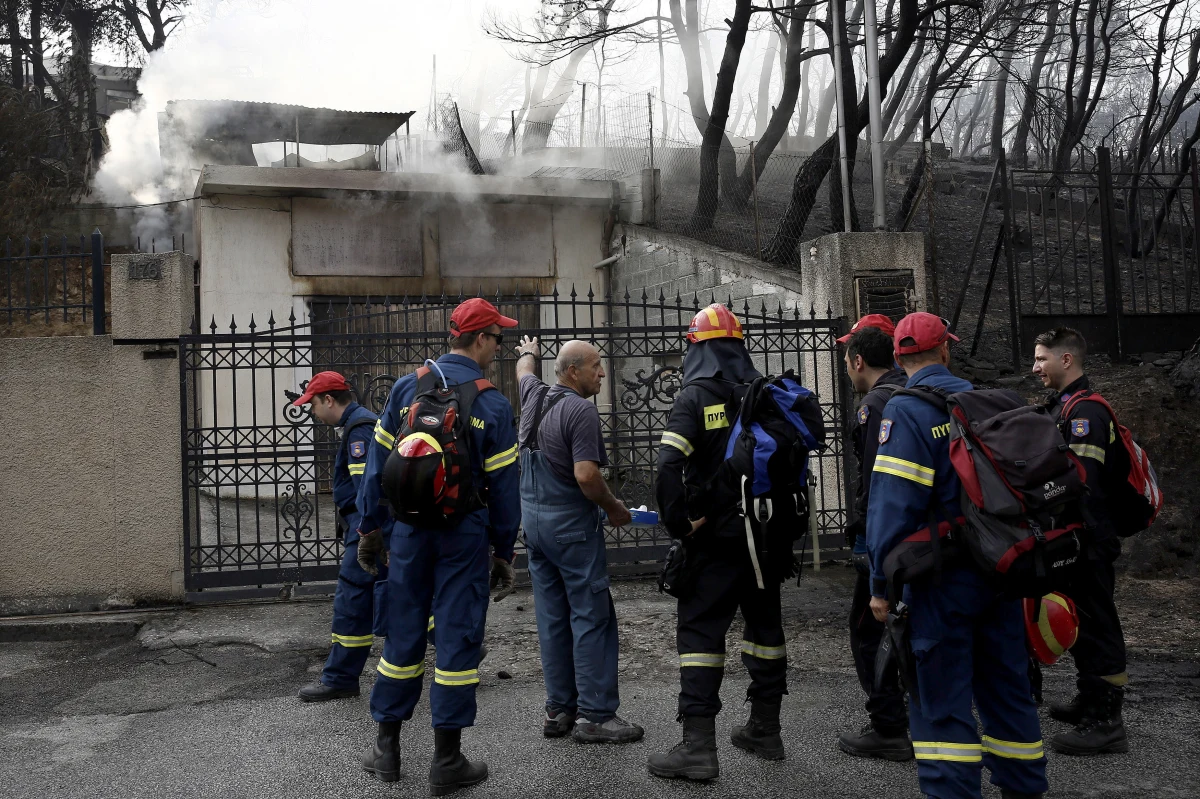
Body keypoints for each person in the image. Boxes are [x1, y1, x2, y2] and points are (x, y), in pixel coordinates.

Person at [867, 312, 1048, 799]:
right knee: (1008, 688)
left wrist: (880, 584)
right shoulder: (987, 402)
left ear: (898, 357)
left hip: (941, 580)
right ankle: (1024, 787)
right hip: (1003, 569)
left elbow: (891, 507)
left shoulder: (906, 411)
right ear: (946, 350)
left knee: (941, 699)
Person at [354, 298, 521, 796]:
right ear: (480, 339)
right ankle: (447, 761)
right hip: (463, 534)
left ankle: (387, 750)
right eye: (497, 338)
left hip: (407, 534)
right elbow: (505, 491)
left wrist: (370, 528)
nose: (499, 346)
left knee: (402, 634)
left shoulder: (407, 387)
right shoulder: (492, 404)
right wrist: (503, 551)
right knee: (456, 638)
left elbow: (376, 468)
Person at [647, 303, 795, 781]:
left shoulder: (694, 397)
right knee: (766, 630)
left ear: (697, 348)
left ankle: (697, 748)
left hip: (713, 540)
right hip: (766, 538)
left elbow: (667, 467)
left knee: (700, 637)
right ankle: (765, 730)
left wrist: (678, 524)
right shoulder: (764, 393)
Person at [515, 336, 643, 744]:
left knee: (553, 619)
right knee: (591, 616)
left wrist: (528, 353)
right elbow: (586, 476)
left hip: (535, 529)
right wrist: (614, 507)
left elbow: (523, 373)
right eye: (595, 366)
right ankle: (596, 715)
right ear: (573, 372)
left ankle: (559, 710)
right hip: (571, 530)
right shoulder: (580, 411)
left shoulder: (533, 396)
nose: (602, 373)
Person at [1032, 327, 1129, 756]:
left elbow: (1079, 484)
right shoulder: (1066, 406)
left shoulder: (1086, 413)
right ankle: (1089, 698)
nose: (1035, 367)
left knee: (1098, 625)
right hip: (1075, 536)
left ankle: (1106, 722)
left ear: (1066, 360)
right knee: (1083, 622)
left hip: (1088, 538)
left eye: (1041, 358)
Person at [836, 318, 913, 761]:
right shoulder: (913, 392)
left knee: (868, 629)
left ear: (858, 361)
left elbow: (874, 481)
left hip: (885, 539)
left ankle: (888, 724)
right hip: (924, 538)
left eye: (847, 359)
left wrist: (864, 538)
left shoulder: (875, 406)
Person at [291, 371, 389, 702]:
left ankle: (340, 679)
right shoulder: (359, 425)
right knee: (400, 597)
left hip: (367, 532)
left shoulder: (359, 429)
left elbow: (367, 490)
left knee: (352, 602)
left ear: (329, 400)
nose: (313, 412)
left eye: (314, 405)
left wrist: (368, 535)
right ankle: (460, 652)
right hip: (372, 531)